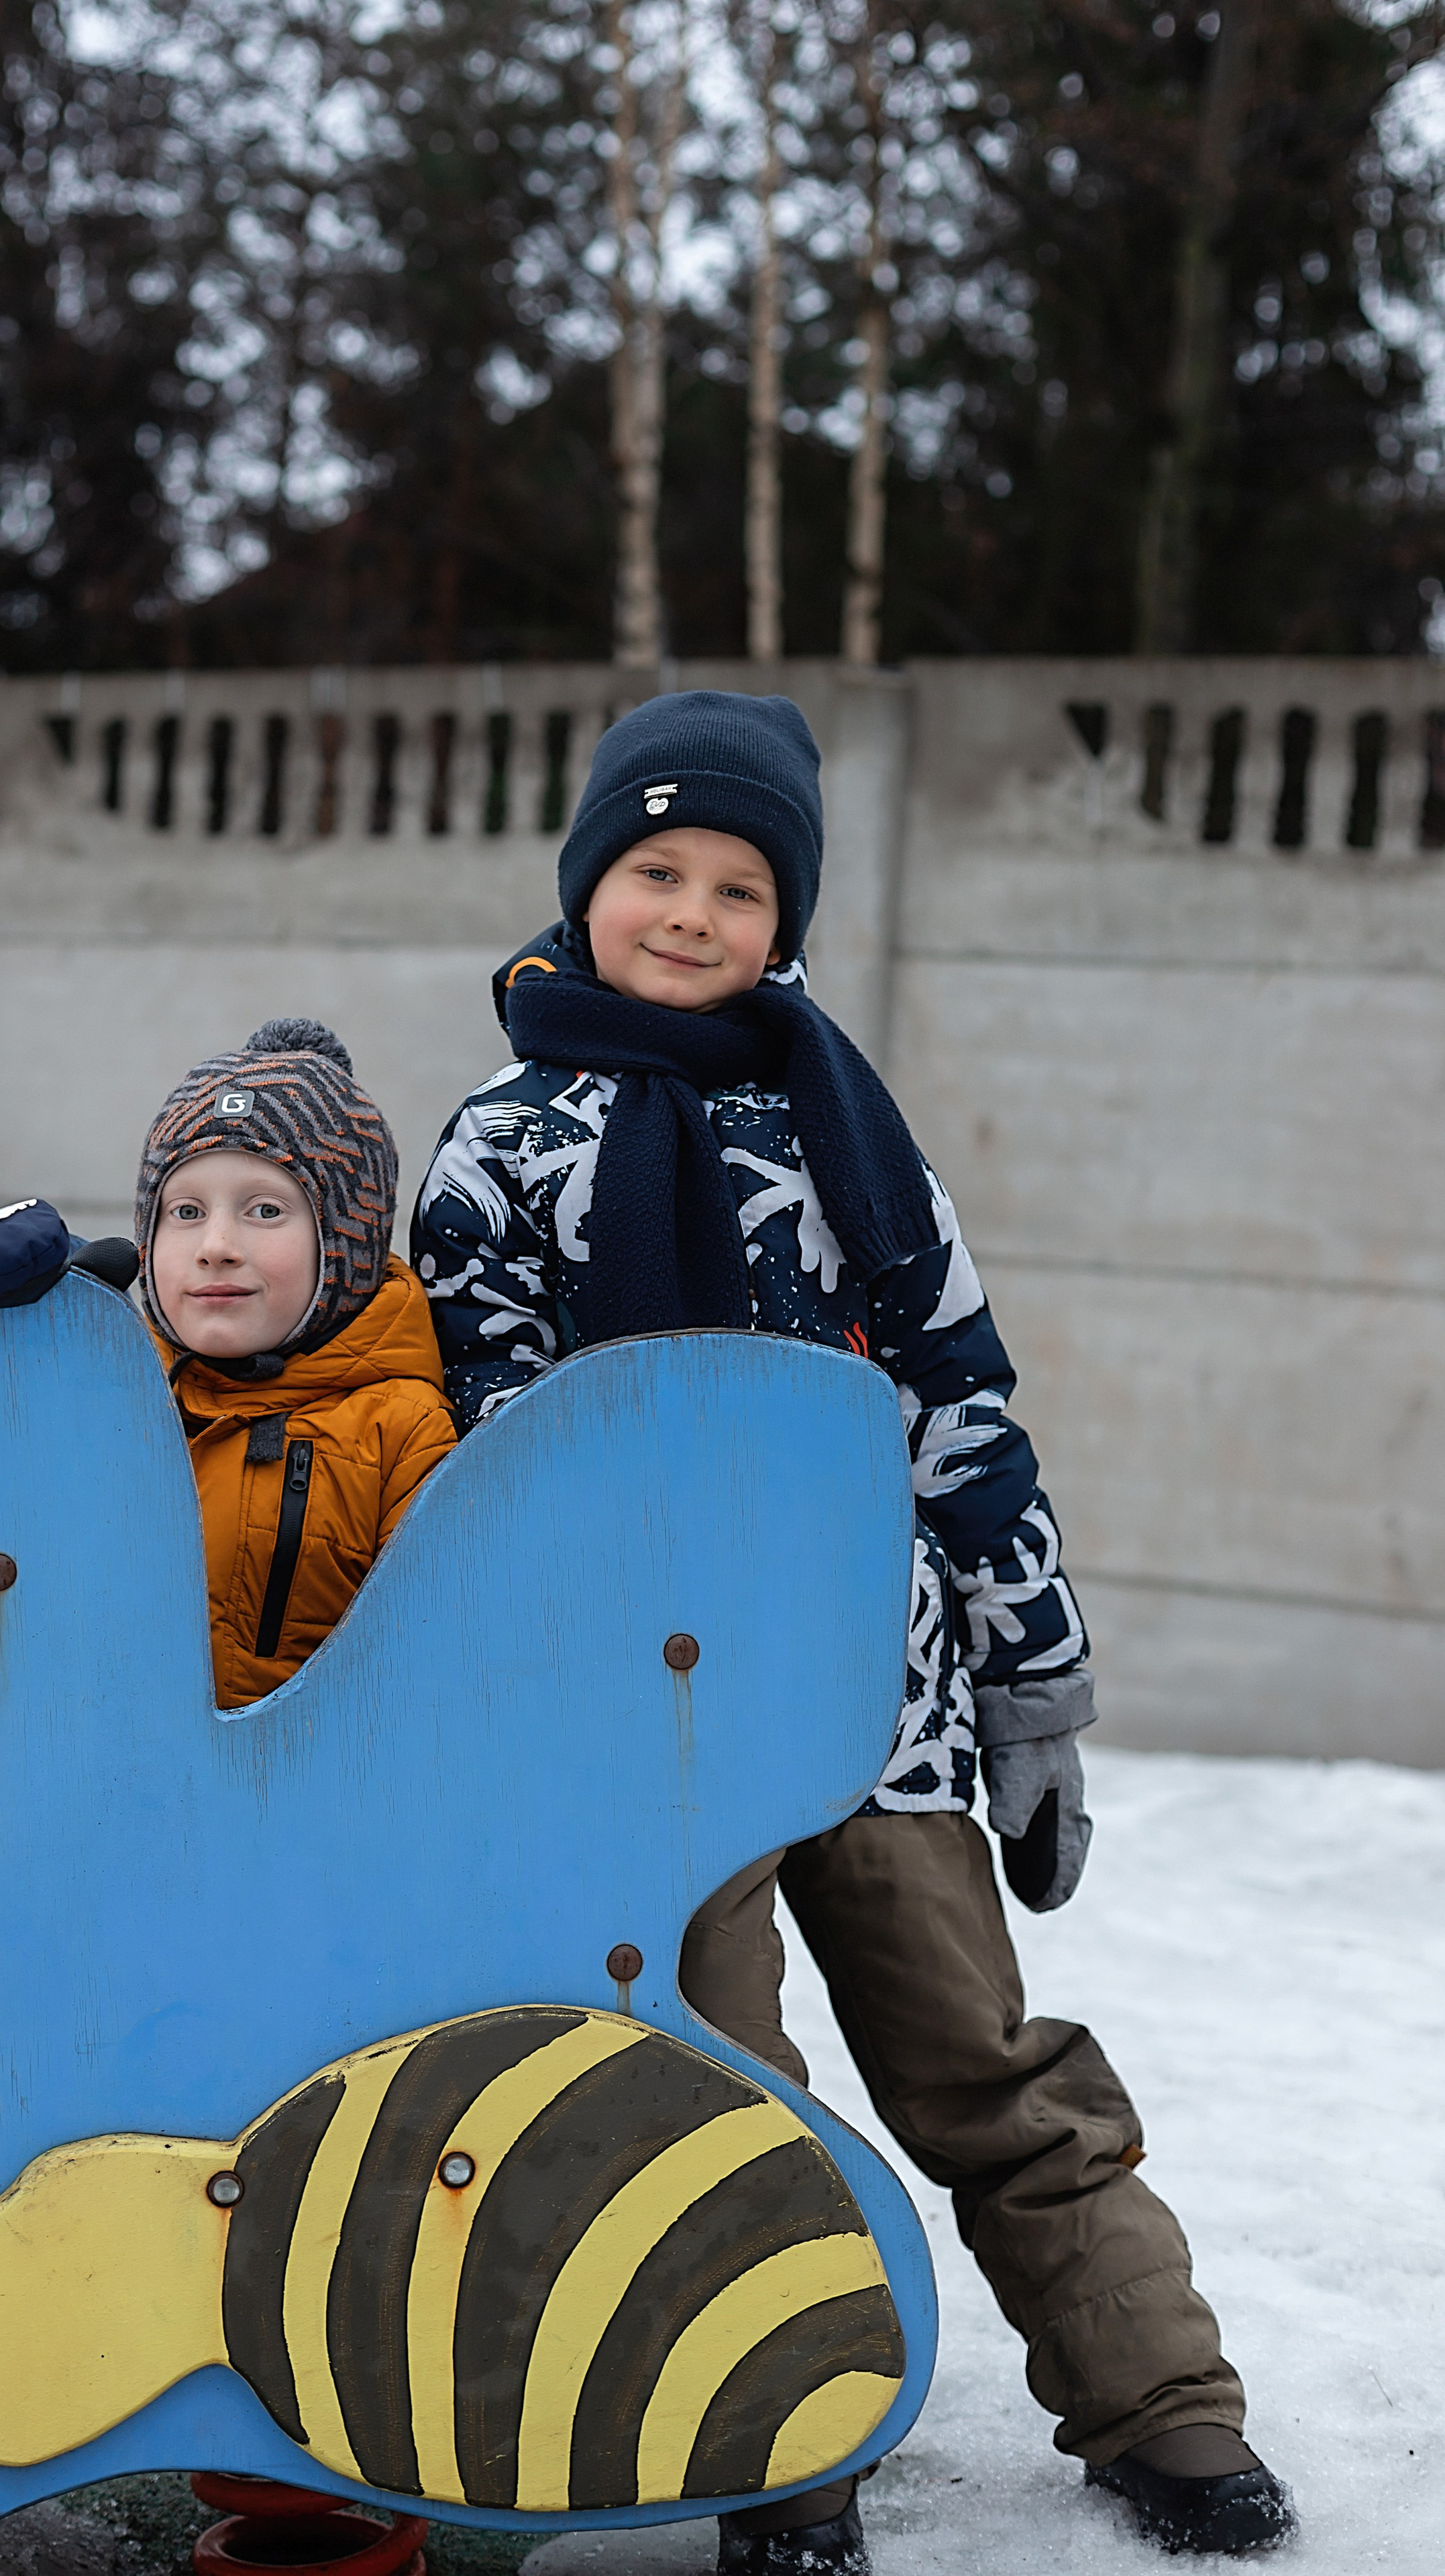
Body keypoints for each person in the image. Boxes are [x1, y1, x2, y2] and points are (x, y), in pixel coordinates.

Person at [409, 694, 1293, 2569]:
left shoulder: (849, 1131)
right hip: (648, 1721)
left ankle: (1163, 2399)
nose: (690, 912)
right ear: (585, 883)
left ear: (783, 918)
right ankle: (781, 2440)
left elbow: (960, 1405)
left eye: (738, 887)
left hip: (881, 1702)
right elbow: (479, 1436)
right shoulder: (499, 1144)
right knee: (716, 2090)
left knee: (982, 2058)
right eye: (656, 870)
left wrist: (1031, 1670)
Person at [0, 1017, 456, 1705]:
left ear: (349, 1242)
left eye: (265, 1210)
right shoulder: (107, 1387)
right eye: (187, 1211)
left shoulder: (403, 1433)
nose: (216, 1245)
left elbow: (438, 1672)